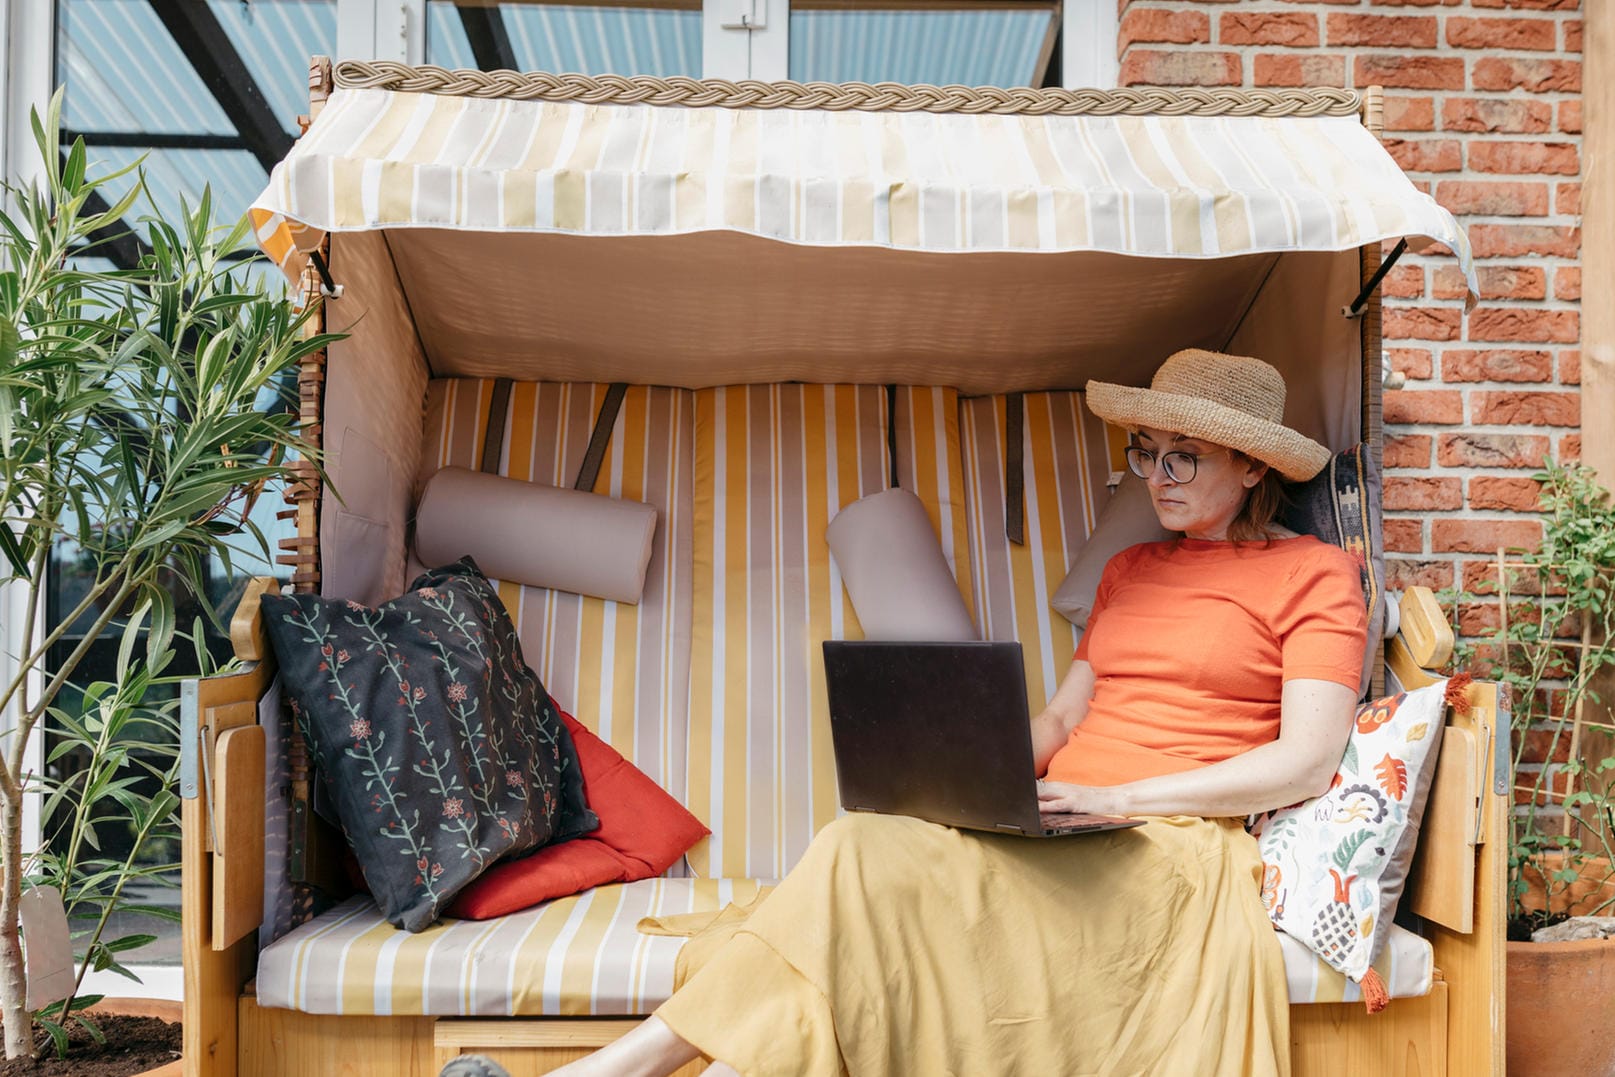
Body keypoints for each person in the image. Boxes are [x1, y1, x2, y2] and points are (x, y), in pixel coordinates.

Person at [467, 349, 1369, 1077]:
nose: (1156, 475)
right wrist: (974, 774)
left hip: (1167, 846)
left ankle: (604, 1075)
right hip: (1056, 822)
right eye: (1145, 450)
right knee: (860, 844)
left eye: (1184, 455)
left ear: (1251, 463)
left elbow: (1305, 761)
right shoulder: (1131, 570)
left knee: (852, 880)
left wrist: (1126, 802)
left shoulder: (1313, 575)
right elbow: (1062, 719)